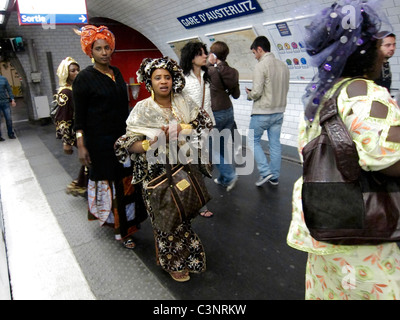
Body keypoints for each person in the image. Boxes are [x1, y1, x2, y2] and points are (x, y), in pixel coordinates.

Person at [287, 1, 400, 300]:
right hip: (362, 229)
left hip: (322, 220)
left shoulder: (320, 95)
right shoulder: (367, 93)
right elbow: (386, 157)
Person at [115, 57, 212, 282]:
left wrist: (183, 127)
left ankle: (188, 256)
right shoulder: (142, 109)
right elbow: (126, 144)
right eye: (157, 77)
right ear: (150, 82)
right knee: (165, 219)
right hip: (155, 173)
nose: (163, 81)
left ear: (174, 79)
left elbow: (204, 122)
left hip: (183, 167)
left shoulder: (183, 102)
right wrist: (151, 142)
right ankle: (173, 262)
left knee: (182, 213)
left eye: (167, 77)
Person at [73, 25, 147, 249]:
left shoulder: (116, 73)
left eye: (107, 47)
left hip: (122, 140)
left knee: (127, 182)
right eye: (98, 49)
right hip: (99, 143)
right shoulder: (84, 79)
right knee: (114, 184)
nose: (104, 52)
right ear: (90, 51)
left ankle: (127, 224)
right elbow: (79, 116)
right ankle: (122, 230)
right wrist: (81, 144)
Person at [245, 36, 290, 187]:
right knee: (275, 144)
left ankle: (265, 172)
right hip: (279, 112)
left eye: (254, 52)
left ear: (259, 49)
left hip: (262, 112)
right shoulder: (283, 66)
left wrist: (249, 94)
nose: (255, 56)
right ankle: (274, 177)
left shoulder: (261, 65)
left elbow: (257, 92)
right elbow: (283, 88)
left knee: (252, 139)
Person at [180, 41, 217, 217]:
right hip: (187, 130)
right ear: (191, 57)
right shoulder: (182, 79)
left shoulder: (205, 76)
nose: (205, 56)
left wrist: (210, 122)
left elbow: (207, 104)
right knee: (190, 167)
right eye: (200, 53)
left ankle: (196, 202)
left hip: (203, 130)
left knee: (198, 165)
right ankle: (195, 203)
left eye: (205, 53)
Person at [207, 41, 240, 191]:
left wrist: (209, 63)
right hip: (229, 112)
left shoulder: (211, 71)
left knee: (210, 149)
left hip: (216, 113)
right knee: (220, 147)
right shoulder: (234, 71)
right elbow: (236, 94)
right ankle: (223, 178)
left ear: (213, 55)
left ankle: (230, 174)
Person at [54, 57, 87, 197]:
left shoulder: (75, 88)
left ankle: (82, 184)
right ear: (65, 73)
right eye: (72, 70)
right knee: (88, 159)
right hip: (75, 132)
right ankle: (81, 184)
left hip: (84, 129)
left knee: (88, 159)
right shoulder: (65, 92)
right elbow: (63, 119)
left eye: (77, 69)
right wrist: (66, 142)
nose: (76, 72)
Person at [0, 74, 16, 141]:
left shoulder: (3, 79)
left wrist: (12, 100)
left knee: (8, 118)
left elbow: (9, 90)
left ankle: (10, 134)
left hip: (5, 102)